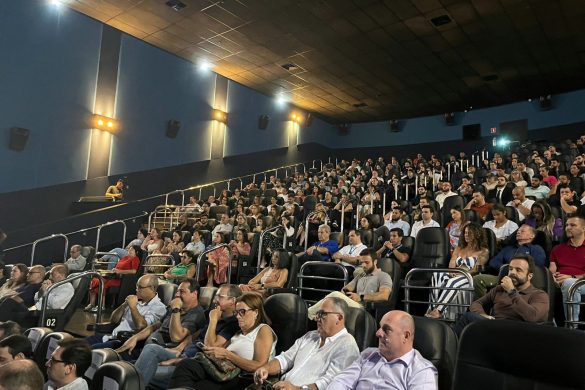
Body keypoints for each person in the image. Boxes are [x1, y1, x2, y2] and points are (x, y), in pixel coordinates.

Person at [133, 284, 243, 389]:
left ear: (233, 301)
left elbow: (210, 347)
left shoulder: (233, 324)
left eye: (220, 296)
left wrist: (213, 320)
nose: (215, 299)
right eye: (215, 296)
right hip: (183, 354)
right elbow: (196, 334)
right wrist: (180, 348)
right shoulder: (213, 313)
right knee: (151, 348)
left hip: (191, 365)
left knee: (140, 374)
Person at [167, 293, 277, 389]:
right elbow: (215, 348)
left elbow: (259, 365)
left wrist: (227, 355)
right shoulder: (238, 333)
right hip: (222, 373)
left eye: (242, 312)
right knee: (186, 365)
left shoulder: (263, 329)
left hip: (242, 378)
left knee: (193, 378)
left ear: (255, 312)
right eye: (236, 312)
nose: (238, 316)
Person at [252, 297, 360, 390]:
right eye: (317, 314)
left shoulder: (347, 345)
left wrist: (296, 389)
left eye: (322, 314)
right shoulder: (310, 336)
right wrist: (266, 368)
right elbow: (286, 358)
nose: (316, 318)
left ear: (339, 318)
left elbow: (329, 384)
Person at [326, 310, 437, 390]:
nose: (378, 333)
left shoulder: (422, 371)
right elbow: (341, 381)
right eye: (380, 327)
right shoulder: (368, 355)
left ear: (406, 336)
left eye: (386, 330)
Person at [452, 254, 550, 336]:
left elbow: (532, 317)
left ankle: (449, 354)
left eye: (518, 270)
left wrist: (512, 292)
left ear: (530, 276)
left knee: (468, 318)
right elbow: (477, 303)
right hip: (494, 329)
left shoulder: (539, 295)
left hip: (519, 333)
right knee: (467, 319)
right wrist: (482, 314)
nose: (512, 273)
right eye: (510, 269)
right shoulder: (500, 289)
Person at [116, 279, 206, 360]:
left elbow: (176, 337)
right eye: (177, 291)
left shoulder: (196, 313)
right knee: (113, 352)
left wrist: (176, 310)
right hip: (145, 347)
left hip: (162, 352)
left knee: (121, 367)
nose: (177, 294)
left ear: (194, 294)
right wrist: (135, 338)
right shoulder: (175, 307)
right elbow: (155, 326)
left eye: (182, 291)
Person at [426, 223, 489, 320]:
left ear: (477, 234)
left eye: (469, 233)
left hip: (469, 276)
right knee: (437, 274)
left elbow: (477, 268)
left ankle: (439, 310)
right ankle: (432, 307)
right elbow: (452, 262)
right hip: (455, 272)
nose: (466, 235)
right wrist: (452, 270)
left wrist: (463, 273)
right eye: (465, 233)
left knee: (452, 282)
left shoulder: (483, 251)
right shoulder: (459, 248)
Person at [87, 274, 167, 349]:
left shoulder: (159, 307)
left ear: (152, 288)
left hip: (124, 342)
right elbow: (113, 320)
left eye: (140, 287)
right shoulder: (136, 301)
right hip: (110, 337)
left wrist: (133, 307)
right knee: (78, 344)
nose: (136, 290)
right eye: (136, 286)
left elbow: (142, 326)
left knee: (87, 351)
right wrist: (124, 305)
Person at [473, 224, 546, 298]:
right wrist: (505, 268)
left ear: (532, 236)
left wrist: (519, 270)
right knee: (478, 279)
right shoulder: (508, 249)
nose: (518, 232)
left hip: (524, 279)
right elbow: (494, 262)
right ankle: (482, 306)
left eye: (522, 231)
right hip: (503, 277)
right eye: (518, 231)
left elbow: (538, 265)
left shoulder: (536, 249)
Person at [549, 216, 585, 325]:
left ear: (584, 228)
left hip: (581, 282)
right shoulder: (557, 249)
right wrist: (553, 278)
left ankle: (572, 326)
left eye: (573, 225)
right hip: (561, 283)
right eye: (567, 225)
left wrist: (573, 277)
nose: (568, 228)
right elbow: (552, 270)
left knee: (569, 283)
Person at [85, 245, 142, 311]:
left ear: (136, 252)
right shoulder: (125, 257)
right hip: (113, 275)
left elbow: (133, 271)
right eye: (129, 249)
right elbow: (118, 268)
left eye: (132, 250)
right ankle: (91, 304)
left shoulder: (135, 259)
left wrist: (119, 271)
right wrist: (112, 270)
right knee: (94, 280)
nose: (129, 250)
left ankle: (101, 306)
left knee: (101, 283)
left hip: (121, 280)